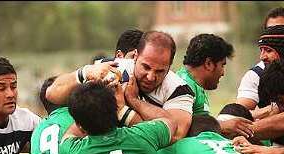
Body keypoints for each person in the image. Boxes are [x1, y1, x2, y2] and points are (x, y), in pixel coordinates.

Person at [46, 30, 195, 140]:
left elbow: (175, 135)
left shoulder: (179, 89)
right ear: (135, 56)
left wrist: (131, 104)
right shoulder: (113, 67)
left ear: (169, 66)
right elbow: (52, 94)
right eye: (146, 67)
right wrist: (86, 72)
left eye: (160, 71)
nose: (150, 77)